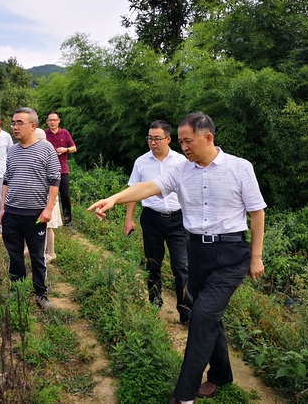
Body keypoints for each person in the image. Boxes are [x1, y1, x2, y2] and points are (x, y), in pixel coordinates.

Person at [88, 112, 266, 404]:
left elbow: (257, 212)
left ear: (207, 138)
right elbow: (149, 188)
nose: (184, 147)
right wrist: (116, 199)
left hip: (231, 253)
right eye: (181, 141)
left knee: (202, 315)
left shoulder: (239, 167)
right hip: (197, 250)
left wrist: (255, 257)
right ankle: (221, 374)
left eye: (188, 141)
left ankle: (183, 396)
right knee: (208, 314)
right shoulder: (182, 171)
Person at [125, 120, 192, 324]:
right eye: (149, 138)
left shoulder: (182, 161)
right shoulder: (141, 162)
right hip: (152, 218)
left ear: (168, 139)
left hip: (178, 220)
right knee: (153, 263)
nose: (152, 142)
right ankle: (155, 305)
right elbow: (133, 192)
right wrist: (129, 219)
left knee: (181, 266)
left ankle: (186, 310)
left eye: (157, 138)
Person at [1, 108, 61, 310]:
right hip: (12, 212)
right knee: (14, 254)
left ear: (33, 126)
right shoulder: (13, 151)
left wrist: (48, 209)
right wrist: (1, 208)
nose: (15, 127)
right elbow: (6, 180)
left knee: (37, 255)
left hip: (35, 214)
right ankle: (16, 289)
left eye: (19, 123)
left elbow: (55, 180)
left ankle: (40, 294)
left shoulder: (46, 149)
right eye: (13, 123)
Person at [44, 111, 77, 234]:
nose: (52, 122)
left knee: (65, 196)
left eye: (54, 120)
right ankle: (47, 219)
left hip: (62, 170)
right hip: (46, 171)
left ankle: (67, 221)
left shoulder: (65, 133)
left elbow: (74, 148)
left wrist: (65, 149)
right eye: (50, 120)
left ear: (59, 121)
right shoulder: (44, 134)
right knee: (45, 196)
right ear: (47, 122)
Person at [34, 128, 63, 263]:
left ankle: (51, 253)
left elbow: (54, 180)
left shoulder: (48, 153)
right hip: (37, 196)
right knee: (33, 224)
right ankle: (31, 247)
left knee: (48, 226)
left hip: (48, 197)